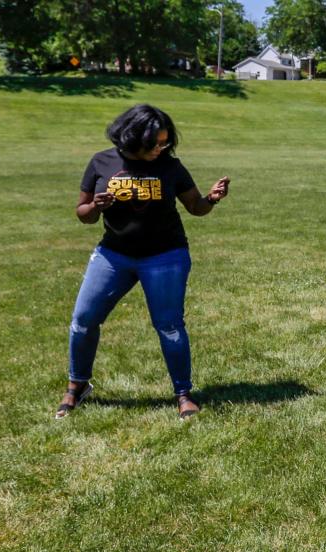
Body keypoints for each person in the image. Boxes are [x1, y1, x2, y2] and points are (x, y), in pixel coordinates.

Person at [55, 104, 230, 420]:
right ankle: (76, 386)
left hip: (165, 256)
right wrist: (96, 204)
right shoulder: (101, 162)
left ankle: (183, 394)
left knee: (169, 326)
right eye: (154, 143)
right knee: (83, 319)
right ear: (132, 137)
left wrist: (212, 199)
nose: (160, 148)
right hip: (113, 255)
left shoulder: (170, 167)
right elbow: (83, 215)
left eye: (164, 142)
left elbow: (195, 207)